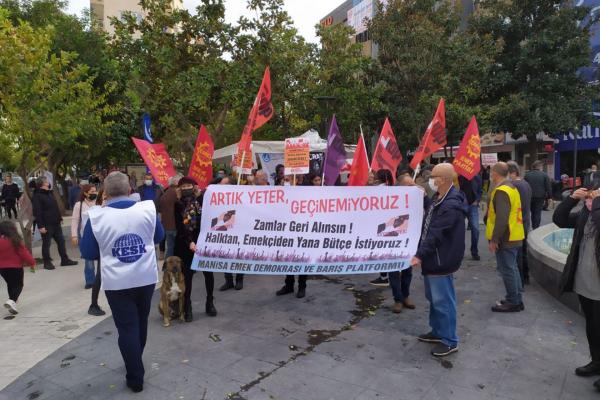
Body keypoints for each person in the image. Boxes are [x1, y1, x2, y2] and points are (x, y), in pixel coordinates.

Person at [80, 172, 164, 393]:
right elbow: (158, 238)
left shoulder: (96, 216)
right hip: (145, 277)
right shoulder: (147, 209)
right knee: (141, 322)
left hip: (117, 282)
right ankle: (135, 360)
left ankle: (135, 375)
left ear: (105, 193)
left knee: (127, 327)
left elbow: (87, 251)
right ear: (130, 190)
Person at [412, 163, 466, 357]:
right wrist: (424, 197)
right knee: (434, 299)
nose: (430, 181)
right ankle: (437, 331)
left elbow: (436, 234)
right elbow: (430, 218)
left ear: (442, 180)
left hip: (440, 260)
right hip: (434, 259)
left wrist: (419, 255)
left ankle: (450, 340)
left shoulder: (451, 204)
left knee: (443, 301)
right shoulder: (439, 198)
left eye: (433, 177)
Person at [553, 182, 600, 391]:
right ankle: (597, 362)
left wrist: (596, 203)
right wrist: (572, 199)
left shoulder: (596, 212)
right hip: (585, 280)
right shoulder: (587, 213)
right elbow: (560, 220)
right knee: (592, 325)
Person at [174, 176, 217, 320]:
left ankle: (210, 302)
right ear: (180, 189)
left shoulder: (202, 202)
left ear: (195, 187)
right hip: (186, 246)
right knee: (188, 277)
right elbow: (180, 227)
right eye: (183, 186)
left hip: (204, 242)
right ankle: (187, 306)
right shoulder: (178, 204)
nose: (186, 189)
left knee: (208, 274)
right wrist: (190, 242)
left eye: (189, 186)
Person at [486, 162, 525, 312]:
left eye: (491, 172)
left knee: (507, 269)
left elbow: (502, 218)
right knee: (512, 268)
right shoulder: (511, 187)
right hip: (514, 234)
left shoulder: (502, 191)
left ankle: (513, 301)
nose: (490, 175)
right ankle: (516, 298)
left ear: (495, 174)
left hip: (506, 237)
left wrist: (494, 240)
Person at [388, 174, 424, 313]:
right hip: (392, 241)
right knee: (393, 271)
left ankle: (406, 295)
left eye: (414, 184)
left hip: (409, 241)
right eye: (410, 185)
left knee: (407, 270)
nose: (413, 188)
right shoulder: (391, 200)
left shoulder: (416, 200)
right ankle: (397, 299)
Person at [32, 176, 77, 270]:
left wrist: (60, 218)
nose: (48, 183)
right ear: (42, 184)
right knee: (46, 244)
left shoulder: (49, 193)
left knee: (61, 242)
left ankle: (64, 260)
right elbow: (37, 212)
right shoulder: (37, 196)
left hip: (56, 223)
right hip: (46, 224)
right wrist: (41, 226)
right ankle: (47, 262)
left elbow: (54, 207)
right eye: (46, 181)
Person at [0, 221, 36, 315]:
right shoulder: (15, 240)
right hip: (15, 267)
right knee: (19, 285)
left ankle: (13, 303)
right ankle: (11, 300)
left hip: (2, 269)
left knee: (11, 284)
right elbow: (24, 253)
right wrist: (32, 262)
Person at [507, 161, 533, 284]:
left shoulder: (513, 186)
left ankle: (520, 279)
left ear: (512, 173)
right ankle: (526, 276)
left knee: (517, 253)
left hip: (517, 222)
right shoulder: (526, 184)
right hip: (525, 220)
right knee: (523, 250)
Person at [71, 185, 99, 289]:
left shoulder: (99, 202)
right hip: (86, 236)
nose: (94, 193)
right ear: (85, 193)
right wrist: (74, 235)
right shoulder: (79, 205)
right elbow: (75, 220)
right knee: (88, 259)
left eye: (95, 191)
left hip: (99, 234)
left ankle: (102, 278)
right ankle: (90, 280)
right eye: (92, 191)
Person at [219, 177, 244, 291]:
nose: (220, 185)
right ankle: (228, 280)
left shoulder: (241, 195)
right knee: (225, 255)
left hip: (238, 231)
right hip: (225, 230)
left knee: (238, 255)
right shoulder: (219, 196)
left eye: (223, 183)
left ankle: (239, 279)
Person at [458, 173, 483, 261]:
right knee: (459, 230)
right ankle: (459, 252)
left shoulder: (476, 177)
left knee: (475, 229)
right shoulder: (459, 176)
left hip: (473, 206)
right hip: (461, 206)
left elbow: (480, 190)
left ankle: (474, 251)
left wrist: (477, 200)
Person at [159, 174, 182, 258]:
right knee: (177, 249)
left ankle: (167, 265)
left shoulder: (165, 193)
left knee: (170, 247)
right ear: (177, 182)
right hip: (176, 225)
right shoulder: (178, 192)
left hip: (167, 226)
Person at [524, 160, 551, 230]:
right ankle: (535, 228)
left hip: (529, 196)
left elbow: (525, 186)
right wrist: (549, 197)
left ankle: (527, 227)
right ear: (540, 167)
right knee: (537, 213)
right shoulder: (544, 175)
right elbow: (548, 187)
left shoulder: (527, 175)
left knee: (528, 212)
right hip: (540, 197)